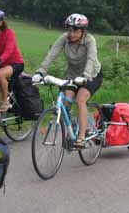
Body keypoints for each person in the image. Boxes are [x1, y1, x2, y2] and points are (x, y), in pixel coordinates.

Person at [32, 14, 102, 149]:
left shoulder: (89, 40)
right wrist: (40, 72)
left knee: (80, 99)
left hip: (92, 74)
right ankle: (73, 128)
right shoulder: (64, 38)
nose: (72, 33)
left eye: (76, 30)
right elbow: (51, 54)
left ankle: (81, 137)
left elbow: (91, 59)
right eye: (70, 29)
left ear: (83, 31)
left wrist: (86, 75)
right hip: (72, 75)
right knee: (65, 102)